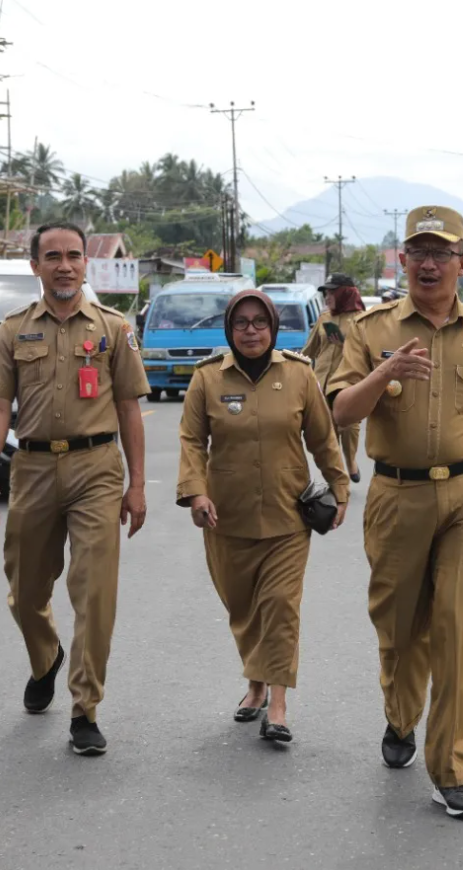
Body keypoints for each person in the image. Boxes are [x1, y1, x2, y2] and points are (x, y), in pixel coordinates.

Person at [329, 205, 463, 819]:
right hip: (397, 497)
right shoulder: (370, 330)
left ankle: (451, 767)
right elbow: (339, 413)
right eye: (418, 250)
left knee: (458, 630)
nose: (429, 262)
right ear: (403, 261)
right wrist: (387, 369)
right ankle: (400, 717)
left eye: (441, 252)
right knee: (400, 630)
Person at [0, 220, 149, 756]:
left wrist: (137, 484)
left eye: (74, 255)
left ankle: (85, 708)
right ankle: (44, 658)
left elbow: (129, 407)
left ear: (86, 265)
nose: (64, 265)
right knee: (27, 592)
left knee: (94, 593)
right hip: (30, 469)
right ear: (36, 266)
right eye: (52, 256)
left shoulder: (113, 328)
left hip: (96, 469)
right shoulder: (11, 330)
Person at [177, 289, 349, 743]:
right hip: (225, 518)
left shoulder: (298, 375)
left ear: (272, 327)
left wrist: (341, 487)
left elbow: (323, 438)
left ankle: (277, 703)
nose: (250, 331)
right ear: (229, 330)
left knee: (279, 607)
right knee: (244, 609)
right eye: (241, 323)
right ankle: (254, 685)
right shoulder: (207, 379)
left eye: (259, 322)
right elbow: (192, 441)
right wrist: (196, 493)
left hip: (287, 516)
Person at [302, 272, 367, 482]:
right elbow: (309, 350)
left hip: (347, 382)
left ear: (345, 294)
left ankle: (351, 461)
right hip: (321, 382)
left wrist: (344, 344)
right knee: (325, 429)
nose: (327, 297)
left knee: (348, 426)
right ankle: (336, 472)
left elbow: (368, 354)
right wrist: (290, 365)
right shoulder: (324, 318)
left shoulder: (360, 320)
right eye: (326, 293)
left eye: (332, 293)